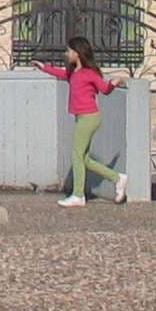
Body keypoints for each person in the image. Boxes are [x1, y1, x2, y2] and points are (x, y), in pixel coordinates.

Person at [36, 37, 130, 207]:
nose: (66, 54)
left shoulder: (89, 73)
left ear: (77, 53)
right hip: (82, 117)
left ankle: (78, 195)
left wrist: (116, 81)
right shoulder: (75, 72)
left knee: (76, 155)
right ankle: (117, 178)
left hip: (89, 117)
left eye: (69, 51)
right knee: (84, 158)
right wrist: (45, 68)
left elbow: (104, 89)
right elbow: (63, 74)